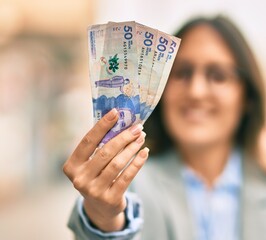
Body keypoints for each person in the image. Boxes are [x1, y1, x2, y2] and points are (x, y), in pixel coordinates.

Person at [63, 15, 266, 240]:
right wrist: (103, 218)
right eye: (182, 73)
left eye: (217, 76)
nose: (196, 92)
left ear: (247, 96)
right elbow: (110, 222)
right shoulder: (126, 183)